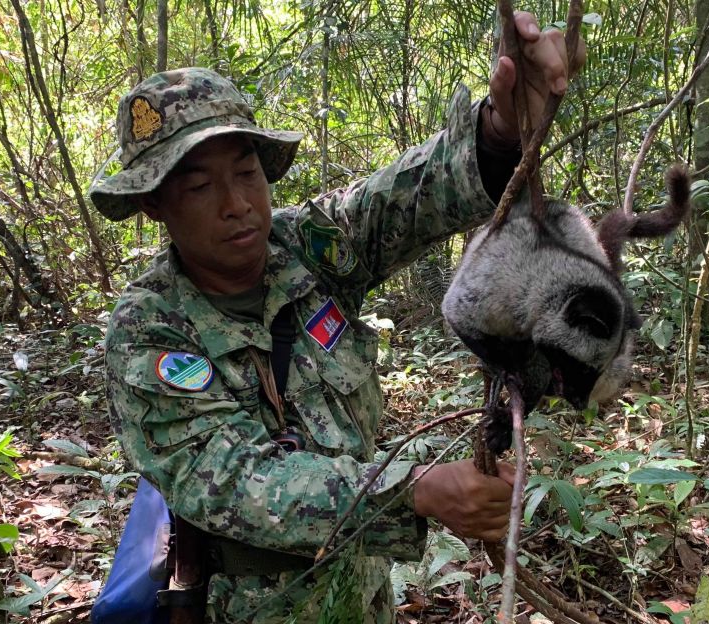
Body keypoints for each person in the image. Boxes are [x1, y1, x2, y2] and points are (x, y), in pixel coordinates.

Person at [89, 12, 584, 623]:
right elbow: (228, 479)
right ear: (153, 205)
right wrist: (415, 487)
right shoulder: (149, 329)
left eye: (246, 173)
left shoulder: (306, 248)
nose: (237, 204)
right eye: (199, 189)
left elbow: (404, 198)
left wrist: (503, 128)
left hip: (361, 598)